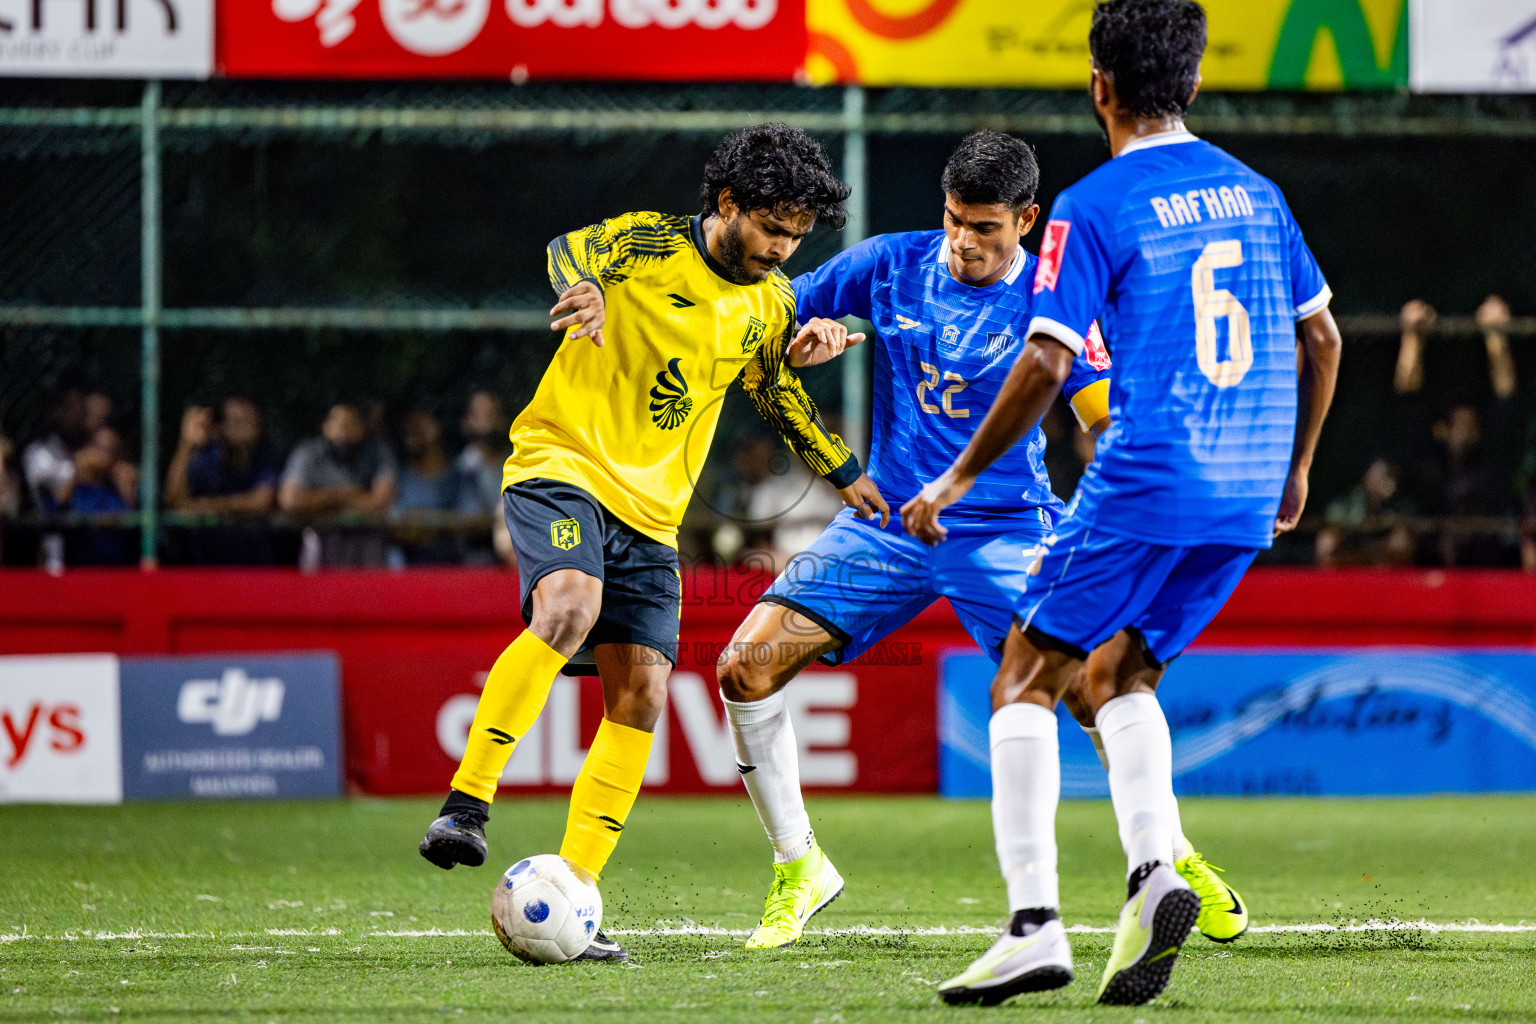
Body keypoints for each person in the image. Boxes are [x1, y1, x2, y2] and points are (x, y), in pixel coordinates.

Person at [902, 0, 1341, 1005]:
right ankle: (1154, 875)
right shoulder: (1260, 194)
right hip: (1243, 492)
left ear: (1101, 86)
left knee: (1023, 679)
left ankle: (1032, 927)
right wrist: (1299, 467)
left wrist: (958, 477)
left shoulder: (1091, 207)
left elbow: (1050, 360)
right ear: (1189, 84)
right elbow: (1323, 340)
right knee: (1120, 673)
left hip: (1148, 474)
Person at [416, 123, 886, 964]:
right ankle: (466, 806)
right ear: (729, 203)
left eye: (796, 238)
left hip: (652, 517)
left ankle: (576, 891)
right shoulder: (646, 244)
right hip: (563, 463)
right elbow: (569, 250)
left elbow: (773, 390)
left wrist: (845, 472)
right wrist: (586, 290)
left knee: (641, 691)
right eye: (771, 228)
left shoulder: (771, 303)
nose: (781, 249)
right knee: (568, 606)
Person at [716, 130, 1108, 948]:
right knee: (744, 669)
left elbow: (1101, 420)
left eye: (987, 227)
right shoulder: (890, 262)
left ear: (1027, 219)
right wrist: (804, 343)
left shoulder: (1056, 294)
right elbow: (775, 317)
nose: (965, 240)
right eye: (956, 219)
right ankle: (799, 865)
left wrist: (1106, 527)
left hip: (1003, 528)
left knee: (1095, 688)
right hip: (887, 527)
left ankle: (1169, 862)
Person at [278, 400, 398, 567]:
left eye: (350, 423)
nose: (343, 429)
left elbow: (379, 502)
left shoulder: (378, 452)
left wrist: (317, 501)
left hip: (366, 546)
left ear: (362, 427)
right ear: (325, 425)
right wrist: (346, 495)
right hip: (320, 543)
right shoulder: (308, 452)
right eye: (338, 422)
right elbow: (290, 501)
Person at [391, 405, 465, 566]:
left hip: (455, 570)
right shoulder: (400, 478)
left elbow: (471, 522)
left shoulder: (458, 478)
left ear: (437, 429)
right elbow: (395, 526)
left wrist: (421, 522)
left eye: (419, 424)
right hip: (408, 570)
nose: (411, 431)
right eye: (408, 426)